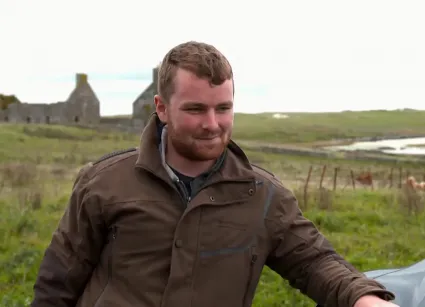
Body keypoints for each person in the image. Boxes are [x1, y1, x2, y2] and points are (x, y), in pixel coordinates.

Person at [31, 41, 398, 307]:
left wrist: (364, 299)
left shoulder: (264, 196)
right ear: (161, 108)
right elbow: (57, 283)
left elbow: (314, 261)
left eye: (223, 108)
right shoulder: (104, 182)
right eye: (195, 109)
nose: (212, 124)